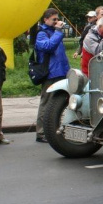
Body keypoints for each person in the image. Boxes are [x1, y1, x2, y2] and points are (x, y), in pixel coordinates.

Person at [34, 8, 70, 143]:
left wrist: (68, 70)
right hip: (50, 74)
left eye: (57, 19)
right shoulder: (42, 34)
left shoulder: (54, 32)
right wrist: (58, 32)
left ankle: (54, 130)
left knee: (59, 103)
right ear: (46, 20)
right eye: (54, 19)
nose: (57, 22)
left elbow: (61, 55)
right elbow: (48, 47)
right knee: (47, 103)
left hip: (61, 72)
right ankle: (41, 132)